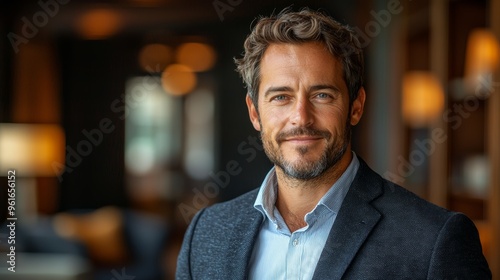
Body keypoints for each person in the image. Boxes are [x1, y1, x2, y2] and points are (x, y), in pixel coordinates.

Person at [176, 8, 491, 280]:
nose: (301, 117)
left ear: (356, 106)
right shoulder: (206, 233)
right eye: (281, 97)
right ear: (255, 112)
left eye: (322, 95)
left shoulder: (435, 240)